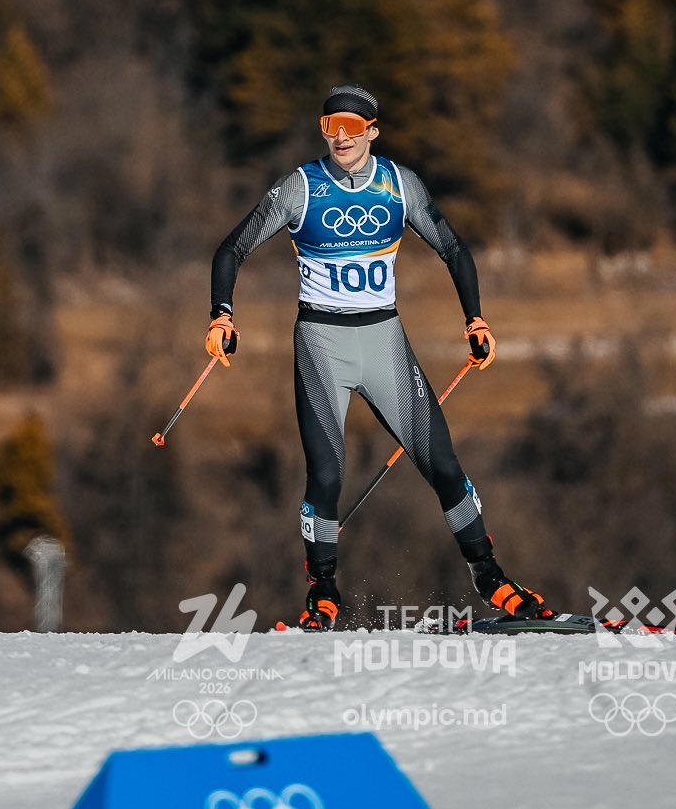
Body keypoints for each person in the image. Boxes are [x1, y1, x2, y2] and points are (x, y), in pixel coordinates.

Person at [205, 84, 554, 631]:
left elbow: (454, 249)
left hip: (384, 341)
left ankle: (490, 577)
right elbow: (233, 248)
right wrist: (221, 315)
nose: (340, 138)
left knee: (444, 465)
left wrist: (475, 319)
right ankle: (323, 592)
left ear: (372, 132)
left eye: (351, 127)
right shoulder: (301, 187)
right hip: (322, 343)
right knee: (326, 476)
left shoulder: (399, 185)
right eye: (330, 127)